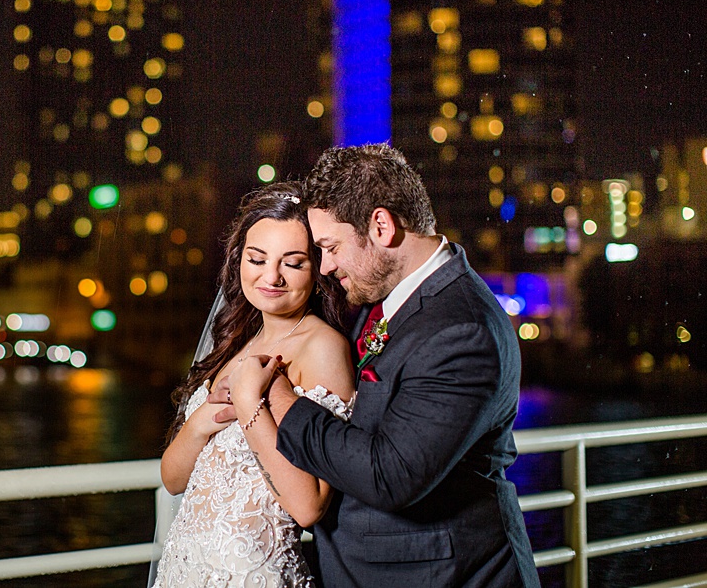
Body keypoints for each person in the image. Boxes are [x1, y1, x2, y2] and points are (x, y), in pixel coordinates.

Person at [211, 144, 541, 587]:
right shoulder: (385, 301)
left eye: (330, 247)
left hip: (441, 575)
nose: (324, 266)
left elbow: (389, 475)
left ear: (381, 226)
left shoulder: (463, 328)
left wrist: (277, 394)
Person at [152, 181, 356, 587]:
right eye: (257, 259)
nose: (271, 277)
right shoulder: (236, 343)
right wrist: (200, 423)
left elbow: (308, 506)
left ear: (317, 270)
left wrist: (250, 403)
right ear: (238, 261)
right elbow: (173, 480)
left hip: (252, 574)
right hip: (186, 568)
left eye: (293, 263)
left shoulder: (322, 348)